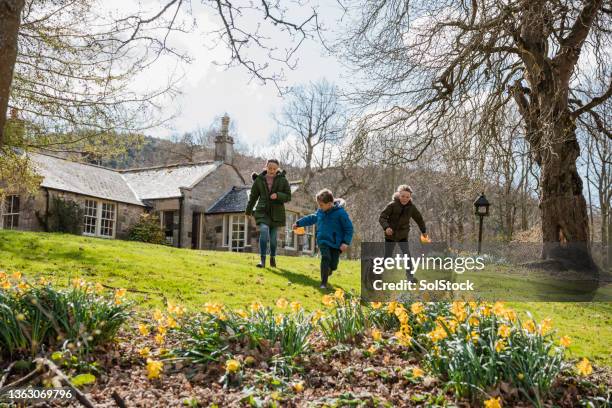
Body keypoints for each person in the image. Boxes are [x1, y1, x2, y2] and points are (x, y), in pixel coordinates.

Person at [293, 189, 353, 289]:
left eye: (321, 205)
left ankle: (329, 270)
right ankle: (323, 283)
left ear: (329, 204)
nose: (319, 207)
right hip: (323, 240)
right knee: (325, 258)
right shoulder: (320, 212)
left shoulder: (341, 213)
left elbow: (349, 228)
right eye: (318, 205)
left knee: (334, 264)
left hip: (336, 242)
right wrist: (298, 223)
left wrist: (345, 242)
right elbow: (311, 218)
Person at [245, 159, 292, 268]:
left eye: (274, 169)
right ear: (266, 167)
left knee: (273, 239)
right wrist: (248, 211)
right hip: (262, 211)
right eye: (270, 168)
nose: (271, 170)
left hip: (277, 213)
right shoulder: (259, 180)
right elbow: (253, 197)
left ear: (277, 169)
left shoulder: (283, 180)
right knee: (264, 231)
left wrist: (278, 195)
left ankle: (272, 257)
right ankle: (262, 260)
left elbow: (288, 196)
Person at [378, 184, 428, 280]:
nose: (404, 199)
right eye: (402, 196)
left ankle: (410, 277)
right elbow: (382, 217)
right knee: (388, 256)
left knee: (407, 255)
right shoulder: (392, 205)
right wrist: (386, 227)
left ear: (410, 197)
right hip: (390, 235)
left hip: (403, 235)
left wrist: (423, 231)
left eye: (407, 197)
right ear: (398, 195)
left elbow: (419, 219)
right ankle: (377, 274)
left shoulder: (411, 207)